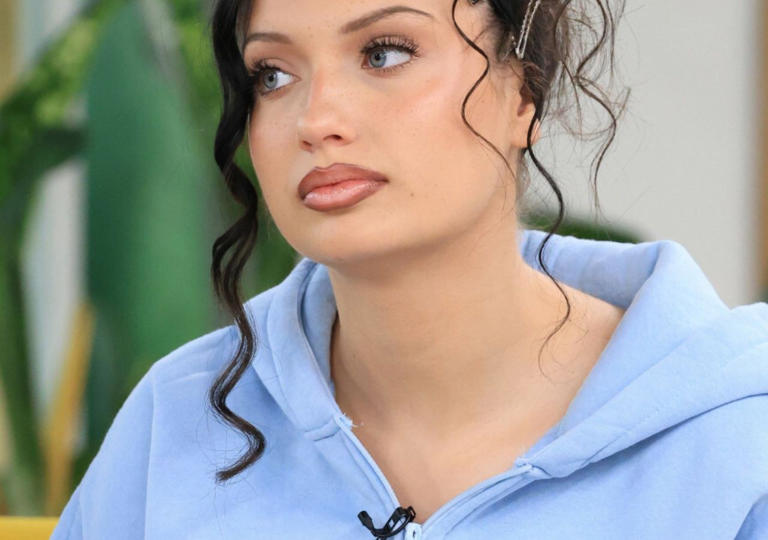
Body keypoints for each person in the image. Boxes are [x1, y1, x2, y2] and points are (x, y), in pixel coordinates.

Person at [52, 0, 768, 538]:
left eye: (384, 53)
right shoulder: (178, 422)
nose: (315, 119)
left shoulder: (738, 443)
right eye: (273, 74)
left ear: (524, 91)